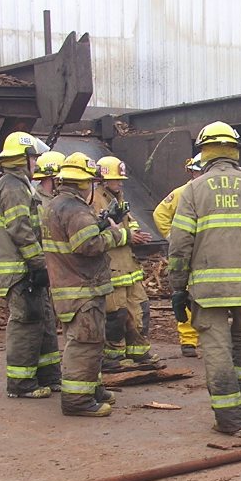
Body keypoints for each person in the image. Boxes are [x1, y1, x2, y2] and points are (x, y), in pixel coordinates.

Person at [168, 121, 241, 435]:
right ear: (235, 150)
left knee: (217, 348)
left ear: (204, 152)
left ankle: (229, 418)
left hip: (208, 289)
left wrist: (177, 286)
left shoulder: (194, 189)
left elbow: (180, 244)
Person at [42, 152, 129, 417]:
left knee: (89, 341)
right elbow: (87, 245)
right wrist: (115, 235)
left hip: (68, 287)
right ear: (84, 183)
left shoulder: (56, 205)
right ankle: (77, 400)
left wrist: (98, 224)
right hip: (82, 288)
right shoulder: (75, 209)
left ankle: (91, 388)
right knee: (84, 343)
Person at [0, 131, 61, 399]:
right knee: (26, 324)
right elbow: (20, 229)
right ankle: (21, 384)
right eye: (34, 158)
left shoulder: (21, 184)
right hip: (20, 271)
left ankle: (49, 376)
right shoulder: (11, 186)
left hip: (28, 269)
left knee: (44, 322)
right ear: (23, 158)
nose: (36, 163)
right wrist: (39, 263)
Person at [93, 156, 160, 371]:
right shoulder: (95, 200)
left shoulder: (118, 198)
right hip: (112, 268)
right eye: (116, 179)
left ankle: (139, 353)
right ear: (103, 179)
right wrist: (128, 235)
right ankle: (113, 358)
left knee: (139, 310)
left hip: (129, 267)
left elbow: (130, 223)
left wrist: (136, 234)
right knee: (116, 314)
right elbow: (98, 234)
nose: (120, 183)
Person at [153, 154, 205, 357]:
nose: (200, 175)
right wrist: (172, 238)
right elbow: (160, 214)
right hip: (189, 253)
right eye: (197, 171)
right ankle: (188, 341)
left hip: (207, 252)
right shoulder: (182, 193)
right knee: (186, 295)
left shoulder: (209, 192)